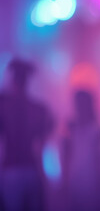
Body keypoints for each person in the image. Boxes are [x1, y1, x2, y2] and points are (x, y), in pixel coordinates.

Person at [0, 58, 54, 211]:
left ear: (13, 80)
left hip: (11, 169)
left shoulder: (3, 105)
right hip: (33, 170)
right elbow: (45, 137)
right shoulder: (39, 109)